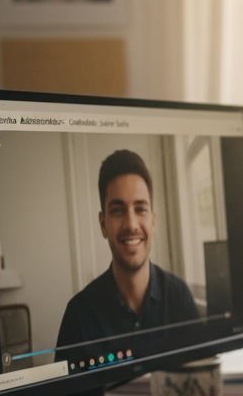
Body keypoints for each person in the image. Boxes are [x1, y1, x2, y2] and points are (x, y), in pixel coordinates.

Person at [56, 149, 199, 364]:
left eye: (140, 209)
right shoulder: (78, 316)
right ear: (103, 224)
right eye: (117, 210)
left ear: (153, 220)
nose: (131, 224)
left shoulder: (179, 299)